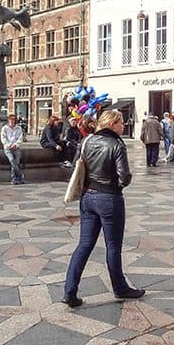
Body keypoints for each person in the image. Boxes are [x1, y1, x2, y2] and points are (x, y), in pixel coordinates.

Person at [62, 109, 145, 308]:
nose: (124, 126)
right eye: (121, 123)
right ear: (112, 124)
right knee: (113, 246)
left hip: (88, 198)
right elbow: (124, 177)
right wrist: (120, 183)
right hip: (109, 198)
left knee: (84, 245)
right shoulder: (116, 144)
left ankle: (69, 291)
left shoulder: (87, 141)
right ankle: (120, 287)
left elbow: (76, 165)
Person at [1, 114, 26, 185]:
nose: (12, 121)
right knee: (12, 160)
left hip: (16, 148)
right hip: (7, 148)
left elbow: (20, 138)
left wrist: (16, 145)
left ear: (15, 120)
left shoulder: (18, 128)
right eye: (11, 119)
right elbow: (3, 138)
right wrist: (9, 145)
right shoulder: (4, 128)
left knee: (16, 163)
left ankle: (14, 179)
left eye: (13, 119)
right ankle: (21, 176)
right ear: (8, 120)